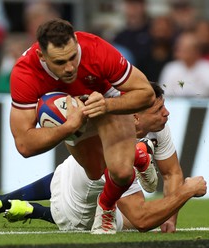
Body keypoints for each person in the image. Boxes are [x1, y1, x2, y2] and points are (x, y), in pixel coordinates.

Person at [0, 83, 207, 232]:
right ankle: (33, 210)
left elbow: (172, 172)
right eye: (158, 109)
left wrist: (171, 219)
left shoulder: (156, 127)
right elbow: (142, 219)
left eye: (163, 106)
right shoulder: (117, 148)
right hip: (72, 214)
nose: (166, 113)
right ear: (134, 117)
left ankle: (4, 201)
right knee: (126, 218)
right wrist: (186, 192)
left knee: (78, 170)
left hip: (70, 177)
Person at [9, 18, 156, 234]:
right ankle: (138, 154)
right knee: (96, 173)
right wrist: (68, 127)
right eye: (60, 62)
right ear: (41, 55)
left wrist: (107, 105)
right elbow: (24, 145)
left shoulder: (96, 49)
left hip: (105, 99)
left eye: (73, 57)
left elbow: (147, 94)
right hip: (70, 114)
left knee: (121, 173)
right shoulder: (24, 73)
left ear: (76, 42)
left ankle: (106, 209)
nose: (69, 68)